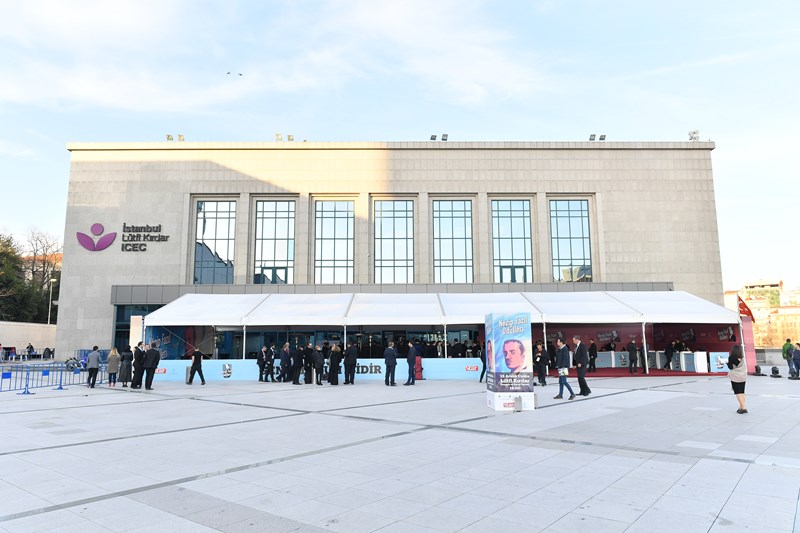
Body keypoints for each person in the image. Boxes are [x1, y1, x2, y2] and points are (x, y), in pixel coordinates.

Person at [727, 344, 747, 414]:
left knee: (738, 393)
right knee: (742, 392)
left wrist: (727, 363)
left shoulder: (731, 357)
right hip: (743, 377)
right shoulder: (742, 358)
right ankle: (741, 407)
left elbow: (731, 367)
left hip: (735, 377)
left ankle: (744, 408)